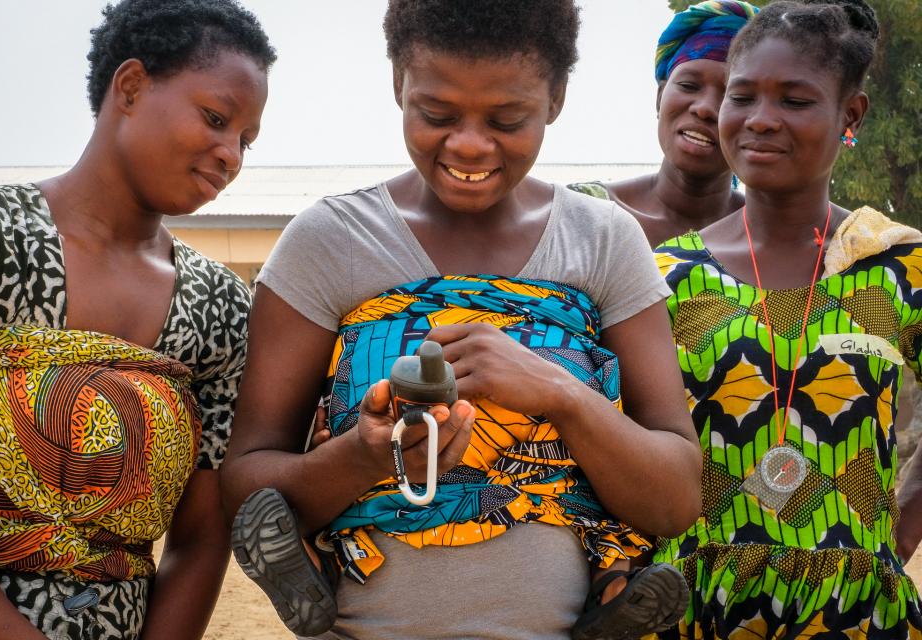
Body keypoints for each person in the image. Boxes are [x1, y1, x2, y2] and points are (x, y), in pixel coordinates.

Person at [220, 2, 701, 639]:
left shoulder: (604, 241)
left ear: (555, 98)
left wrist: (559, 395)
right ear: (399, 85)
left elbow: (673, 499)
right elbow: (244, 488)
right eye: (437, 115)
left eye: (507, 119)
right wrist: (366, 457)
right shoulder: (330, 242)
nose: (469, 144)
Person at [0, 2, 274, 639]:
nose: (231, 155)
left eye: (245, 138)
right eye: (216, 120)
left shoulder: (219, 307)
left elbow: (201, 536)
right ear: (130, 87)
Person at [651, 0, 922, 636]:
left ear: (849, 115)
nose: (760, 120)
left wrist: (896, 534)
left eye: (795, 101)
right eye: (742, 98)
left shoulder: (894, 264)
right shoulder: (665, 275)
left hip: (855, 616)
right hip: (691, 611)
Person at [569, 0, 757, 248]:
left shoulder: (776, 237)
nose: (704, 108)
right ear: (660, 96)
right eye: (689, 86)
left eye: (731, 96)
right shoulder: (581, 214)